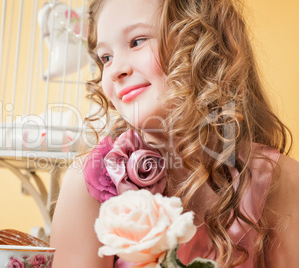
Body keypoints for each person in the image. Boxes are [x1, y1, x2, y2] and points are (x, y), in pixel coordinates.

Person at [50, 0, 299, 267]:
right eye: (106, 58)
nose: (115, 71)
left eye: (137, 41)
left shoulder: (279, 180)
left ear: (206, 43)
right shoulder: (90, 183)